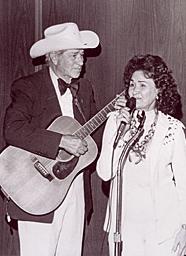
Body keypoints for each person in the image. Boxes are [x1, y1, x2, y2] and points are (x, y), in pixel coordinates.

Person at [3, 22, 100, 255]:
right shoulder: (28, 86)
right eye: (75, 55)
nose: (82, 62)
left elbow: (96, 135)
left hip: (74, 186)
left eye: (83, 56)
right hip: (37, 189)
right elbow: (12, 130)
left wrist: (118, 118)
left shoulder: (84, 88)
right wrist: (60, 141)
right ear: (54, 57)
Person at [97, 54, 186, 256]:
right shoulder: (115, 121)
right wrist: (120, 133)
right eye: (132, 85)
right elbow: (104, 173)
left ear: (158, 90)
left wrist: (185, 227)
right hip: (124, 227)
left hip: (164, 228)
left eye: (142, 85)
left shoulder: (172, 129)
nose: (135, 91)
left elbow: (185, 184)